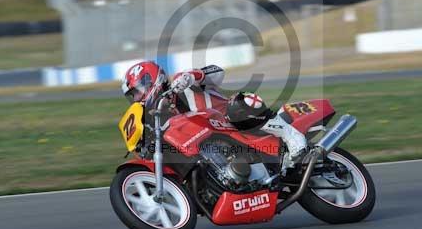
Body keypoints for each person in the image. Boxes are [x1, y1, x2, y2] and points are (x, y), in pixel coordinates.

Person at [121, 61, 307, 165]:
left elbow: (219, 71)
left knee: (238, 103)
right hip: (223, 149)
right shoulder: (161, 118)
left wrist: (192, 76)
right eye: (132, 96)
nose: (137, 98)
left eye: (137, 92)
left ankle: (291, 135)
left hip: (233, 122)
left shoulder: (182, 84)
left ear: (151, 80)